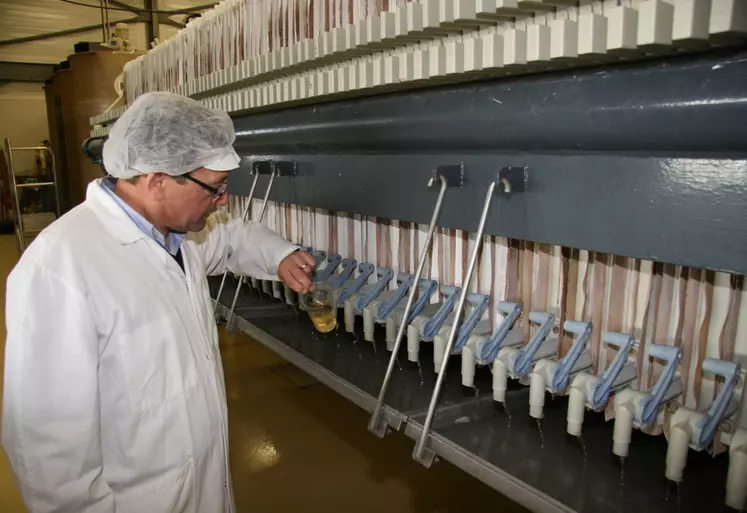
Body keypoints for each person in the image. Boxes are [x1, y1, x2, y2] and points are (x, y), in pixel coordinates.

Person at [2, 91, 316, 513]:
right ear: (157, 181)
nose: (222, 200)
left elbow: (231, 237)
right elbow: (48, 455)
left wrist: (278, 255)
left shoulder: (174, 236)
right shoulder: (62, 269)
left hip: (201, 484)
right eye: (216, 187)